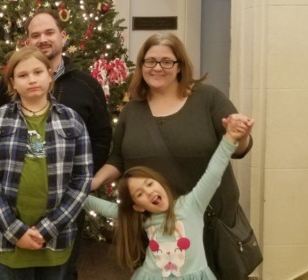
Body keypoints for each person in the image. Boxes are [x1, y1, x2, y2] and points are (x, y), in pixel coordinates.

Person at [91, 33, 253, 274]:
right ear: (142, 64)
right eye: (150, 61)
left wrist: (239, 133)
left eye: (166, 61)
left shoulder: (208, 98)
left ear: (180, 66)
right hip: (159, 226)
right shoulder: (132, 111)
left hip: (211, 223)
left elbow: (239, 149)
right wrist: (92, 183)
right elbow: (118, 160)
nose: (157, 68)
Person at [0, 8, 112, 279]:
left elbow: (102, 135)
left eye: (49, 32)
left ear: (63, 35)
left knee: (63, 268)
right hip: (15, 204)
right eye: (35, 34)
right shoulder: (6, 90)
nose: (43, 39)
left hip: (66, 199)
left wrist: (81, 182)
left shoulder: (86, 85)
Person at [85, 114, 254, 279]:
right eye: (140, 194)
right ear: (138, 206)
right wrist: (74, 196)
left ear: (160, 183)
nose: (149, 192)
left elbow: (214, 173)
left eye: (150, 184)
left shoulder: (192, 204)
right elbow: (106, 208)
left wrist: (230, 138)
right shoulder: (142, 217)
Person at [0, 46, 93, 280]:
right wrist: (15, 230)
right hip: (7, 239)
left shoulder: (72, 120)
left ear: (50, 76)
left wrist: (48, 228)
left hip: (54, 239)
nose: (31, 79)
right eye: (22, 75)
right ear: (12, 83)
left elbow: (82, 179)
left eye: (38, 72)